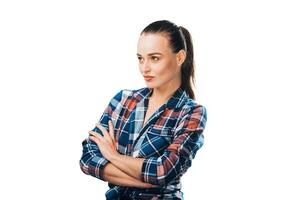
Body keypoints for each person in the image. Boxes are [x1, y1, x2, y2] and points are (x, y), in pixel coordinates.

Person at [79, 20, 208, 200]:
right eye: (140, 58)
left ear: (179, 57)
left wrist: (112, 156)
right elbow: (87, 159)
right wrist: (142, 180)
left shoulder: (191, 112)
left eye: (154, 58)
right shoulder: (123, 100)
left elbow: (163, 171)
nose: (144, 68)